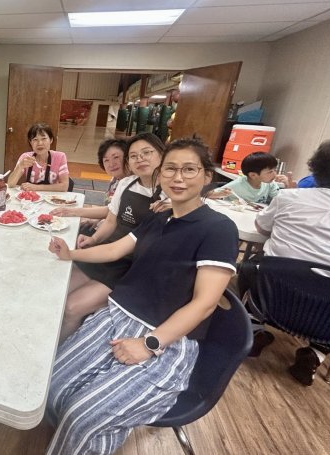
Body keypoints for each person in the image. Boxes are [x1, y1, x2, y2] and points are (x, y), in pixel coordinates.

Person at [45, 137, 239, 455]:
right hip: (115, 317)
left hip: (164, 339)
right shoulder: (159, 217)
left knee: (83, 416)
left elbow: (204, 304)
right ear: (161, 175)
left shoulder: (218, 228)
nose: (178, 177)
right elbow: (115, 249)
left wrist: (149, 343)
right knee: (50, 387)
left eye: (189, 169)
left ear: (207, 176)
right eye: (171, 169)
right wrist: (70, 254)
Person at [240, 138, 330, 385]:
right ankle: (316, 353)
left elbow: (261, 227)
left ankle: (254, 329)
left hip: (276, 301)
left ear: (315, 170)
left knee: (250, 266)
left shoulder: (289, 198)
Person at [57, 132, 168, 342]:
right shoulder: (126, 183)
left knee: (72, 307)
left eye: (147, 153)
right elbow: (110, 221)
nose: (140, 159)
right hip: (107, 252)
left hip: (133, 269)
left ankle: (63, 355)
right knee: (58, 295)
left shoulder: (170, 194)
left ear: (162, 155)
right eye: (134, 156)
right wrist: (93, 240)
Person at [50, 138, 130, 235]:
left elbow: (111, 211)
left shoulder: (131, 184)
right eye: (106, 160)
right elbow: (110, 207)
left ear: (128, 157)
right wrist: (97, 220)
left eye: (116, 157)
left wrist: (72, 211)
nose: (111, 164)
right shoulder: (115, 180)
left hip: (120, 233)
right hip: (107, 224)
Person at [7, 122, 70, 192]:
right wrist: (20, 166)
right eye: (35, 140)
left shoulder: (60, 157)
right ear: (30, 142)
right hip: (31, 197)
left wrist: (37, 187)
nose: (40, 143)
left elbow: (64, 186)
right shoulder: (26, 157)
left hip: (52, 197)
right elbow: (10, 184)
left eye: (44, 139)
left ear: (51, 140)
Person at [209, 151, 291, 204]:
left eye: (275, 170)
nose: (275, 174)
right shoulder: (237, 185)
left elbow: (282, 202)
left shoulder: (270, 184)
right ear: (253, 175)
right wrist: (219, 194)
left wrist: (288, 187)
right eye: (270, 172)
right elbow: (207, 195)